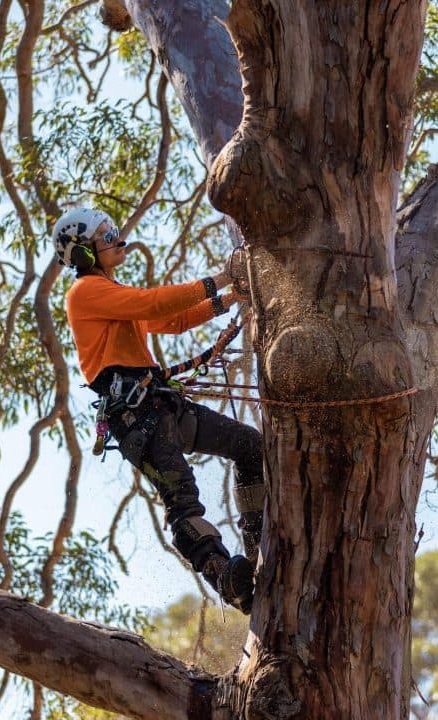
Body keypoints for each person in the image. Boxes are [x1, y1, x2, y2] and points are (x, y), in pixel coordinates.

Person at [52, 206, 264, 613]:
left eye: (114, 229)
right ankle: (225, 577)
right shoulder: (85, 293)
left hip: (162, 405)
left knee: (250, 447)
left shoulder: (113, 296)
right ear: (83, 254)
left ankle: (257, 552)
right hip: (137, 420)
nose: (118, 238)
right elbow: (153, 305)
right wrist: (219, 280)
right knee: (182, 502)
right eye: (107, 234)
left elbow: (174, 320)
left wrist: (232, 297)